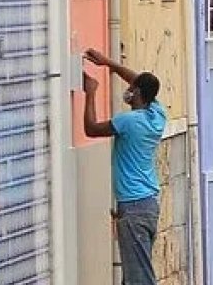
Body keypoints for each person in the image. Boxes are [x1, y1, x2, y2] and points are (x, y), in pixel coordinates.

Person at [82, 48, 165, 285]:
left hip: (134, 209)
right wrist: (108, 63)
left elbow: (91, 128)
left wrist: (91, 93)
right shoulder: (156, 115)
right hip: (147, 205)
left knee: (139, 279)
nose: (127, 90)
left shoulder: (128, 122)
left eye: (131, 89)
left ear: (137, 93)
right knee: (134, 275)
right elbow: (137, 80)